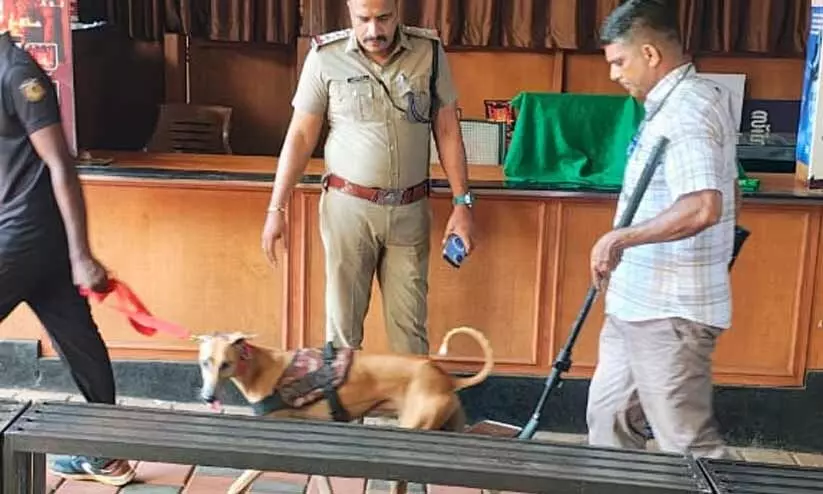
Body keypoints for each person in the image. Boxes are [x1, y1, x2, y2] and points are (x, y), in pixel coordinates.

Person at [261, 0, 474, 356]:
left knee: (411, 334)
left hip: (410, 212)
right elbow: (299, 136)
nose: (374, 30)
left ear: (397, 10)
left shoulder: (429, 53)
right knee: (343, 334)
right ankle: (345, 396)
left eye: (384, 18)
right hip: (349, 212)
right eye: (363, 19)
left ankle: (411, 397)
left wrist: (462, 203)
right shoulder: (325, 57)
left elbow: (449, 131)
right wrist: (276, 208)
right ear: (349, 11)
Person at [586, 0, 739, 459]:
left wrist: (620, 237)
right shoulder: (676, 103)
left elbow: (703, 206)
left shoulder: (687, 110)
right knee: (609, 420)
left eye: (619, 62)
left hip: (669, 310)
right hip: (637, 301)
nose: (614, 74)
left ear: (650, 53)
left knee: (687, 444)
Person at [0, 31, 135, 486]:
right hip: (35, 238)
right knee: (79, 340)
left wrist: (82, 255)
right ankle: (105, 454)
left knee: (80, 341)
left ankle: (105, 450)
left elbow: (60, 162)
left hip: (26, 235)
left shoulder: (17, 73)